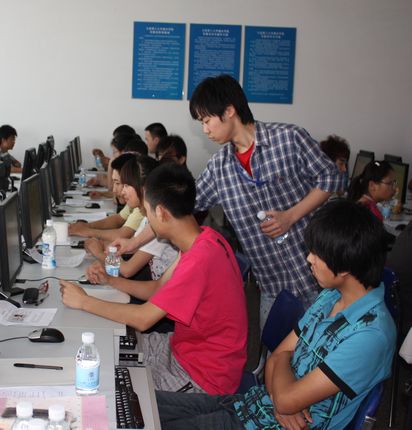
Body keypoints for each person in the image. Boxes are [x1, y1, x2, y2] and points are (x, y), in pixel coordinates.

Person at [114, 75, 344, 329]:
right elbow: (175, 207)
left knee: (325, 349)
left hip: (322, 278)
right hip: (273, 285)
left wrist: (291, 216)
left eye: (207, 120)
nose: (205, 130)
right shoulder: (220, 167)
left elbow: (332, 177)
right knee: (277, 351)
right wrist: (134, 242)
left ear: (229, 111)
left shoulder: (288, 139)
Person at [155, 200, 396, 430]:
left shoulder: (370, 335)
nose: (309, 259)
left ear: (344, 267)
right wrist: (281, 397)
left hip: (262, 422)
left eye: (317, 254)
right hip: (253, 405)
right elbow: (276, 360)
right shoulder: (331, 296)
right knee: (148, 405)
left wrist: (283, 389)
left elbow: (284, 383)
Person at [61, 164, 247, 395]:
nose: (147, 220)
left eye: (147, 212)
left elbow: (143, 319)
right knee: (103, 348)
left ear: (160, 213)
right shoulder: (203, 239)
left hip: (202, 375)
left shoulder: (200, 260)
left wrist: (84, 301)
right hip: (181, 348)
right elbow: (158, 289)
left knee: (109, 388)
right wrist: (111, 281)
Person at [85, 156, 178, 281]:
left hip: (151, 287)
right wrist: (106, 249)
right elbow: (131, 249)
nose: (122, 191)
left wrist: (99, 253)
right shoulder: (147, 219)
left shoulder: (159, 222)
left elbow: (127, 270)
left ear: (143, 188)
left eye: (127, 185)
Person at [69, 154, 144, 242]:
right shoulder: (134, 201)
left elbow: (122, 235)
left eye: (117, 183)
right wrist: (87, 226)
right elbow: (118, 219)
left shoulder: (141, 206)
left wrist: (87, 231)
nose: (114, 190)